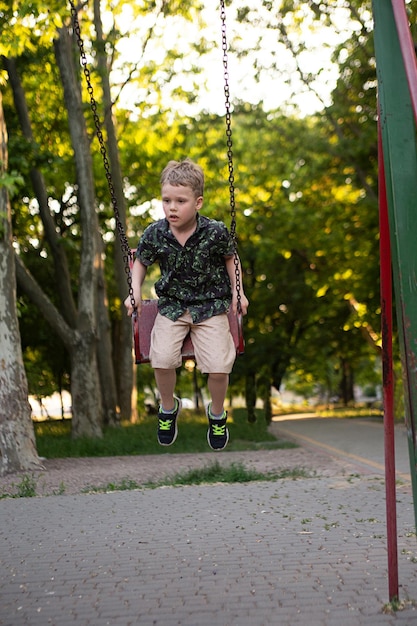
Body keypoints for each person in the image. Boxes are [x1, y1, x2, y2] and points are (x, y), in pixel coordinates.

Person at [124, 158, 249, 450]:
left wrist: (237, 292)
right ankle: (168, 408)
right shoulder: (156, 232)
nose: (172, 207)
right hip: (172, 307)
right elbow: (140, 262)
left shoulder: (215, 231)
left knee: (220, 366)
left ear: (198, 202)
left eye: (180, 201)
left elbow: (232, 259)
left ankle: (217, 414)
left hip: (211, 307)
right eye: (166, 200)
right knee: (162, 358)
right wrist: (134, 290)